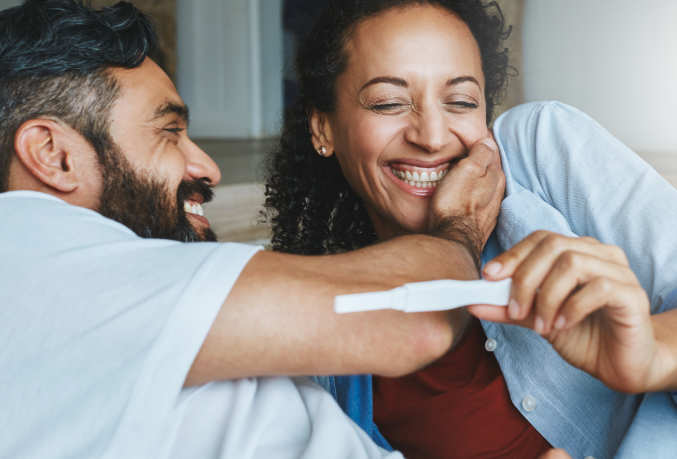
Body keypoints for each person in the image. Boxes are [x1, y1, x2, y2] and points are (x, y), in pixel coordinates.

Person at [0, 1, 513, 458]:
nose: (208, 167)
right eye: (169, 133)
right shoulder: (25, 258)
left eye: (462, 100)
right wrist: (461, 225)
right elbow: (415, 320)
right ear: (53, 154)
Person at [263, 0, 677, 458]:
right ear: (322, 128)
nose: (433, 136)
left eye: (460, 102)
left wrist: (653, 355)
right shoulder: (329, 345)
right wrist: (455, 231)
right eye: (389, 103)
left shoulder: (538, 151)